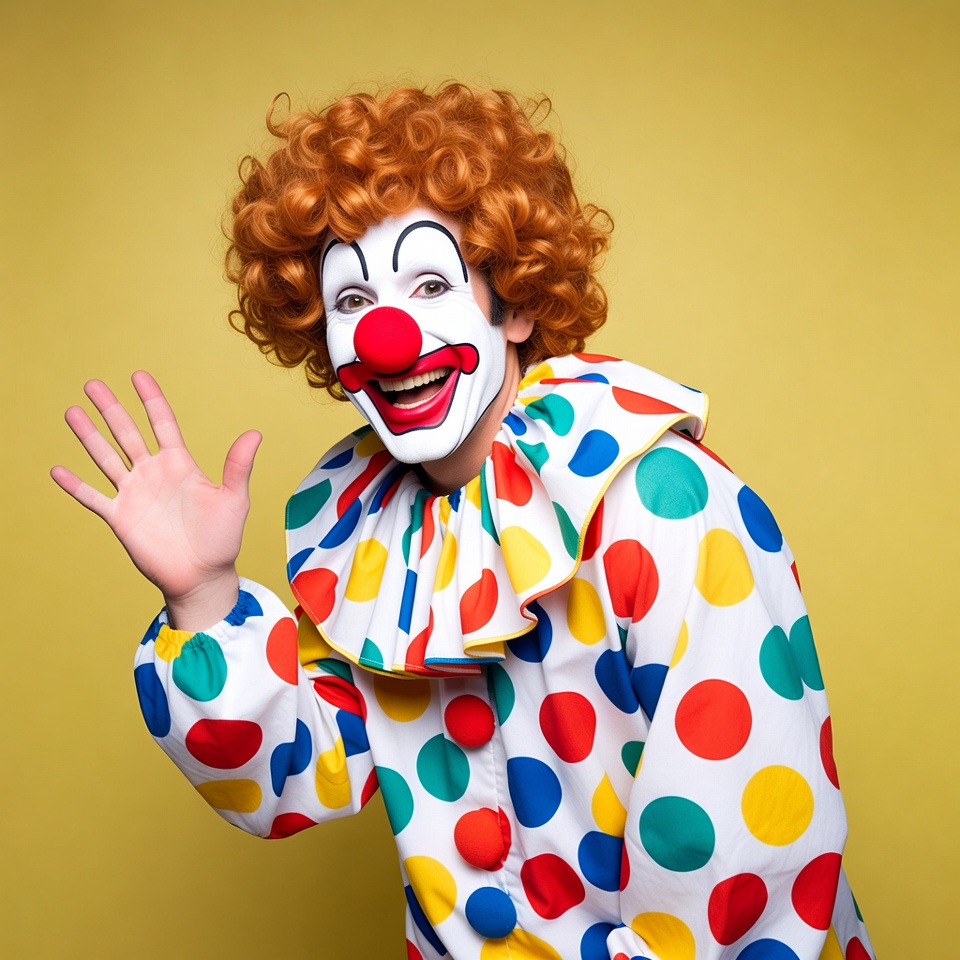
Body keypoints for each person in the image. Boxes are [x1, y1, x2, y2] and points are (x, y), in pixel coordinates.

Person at [52, 84, 875, 960]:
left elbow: (742, 854)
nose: (387, 337)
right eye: (352, 303)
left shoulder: (668, 505)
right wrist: (205, 597)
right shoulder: (375, 544)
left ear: (514, 302)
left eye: (432, 282)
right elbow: (295, 773)